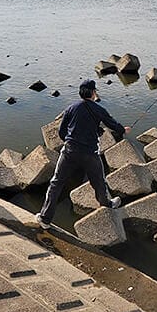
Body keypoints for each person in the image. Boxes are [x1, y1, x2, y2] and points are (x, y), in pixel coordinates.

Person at [35, 79, 130, 229]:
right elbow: (112, 123)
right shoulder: (99, 109)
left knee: (56, 183)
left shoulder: (71, 108)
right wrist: (123, 130)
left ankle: (45, 219)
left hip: (69, 151)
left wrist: (69, 141)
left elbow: (61, 131)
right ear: (93, 93)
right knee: (99, 181)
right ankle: (107, 204)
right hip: (90, 154)